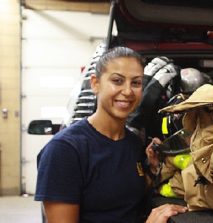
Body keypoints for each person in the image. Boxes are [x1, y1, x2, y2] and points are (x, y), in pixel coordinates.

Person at [35, 46, 187, 223]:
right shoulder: (64, 150)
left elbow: (122, 198)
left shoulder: (132, 143)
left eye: (136, 83)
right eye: (117, 81)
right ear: (95, 84)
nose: (128, 91)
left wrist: (152, 172)